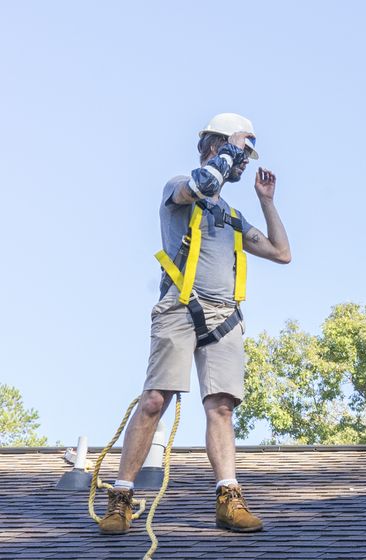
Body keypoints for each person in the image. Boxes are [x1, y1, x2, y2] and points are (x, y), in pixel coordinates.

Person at [98, 113, 293, 535]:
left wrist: (266, 200)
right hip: (180, 308)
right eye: (240, 153)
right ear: (214, 145)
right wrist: (230, 149)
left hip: (224, 317)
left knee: (221, 407)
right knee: (154, 400)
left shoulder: (231, 215)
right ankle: (121, 498)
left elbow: (281, 252)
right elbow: (202, 185)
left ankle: (229, 498)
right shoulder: (178, 188)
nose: (243, 163)